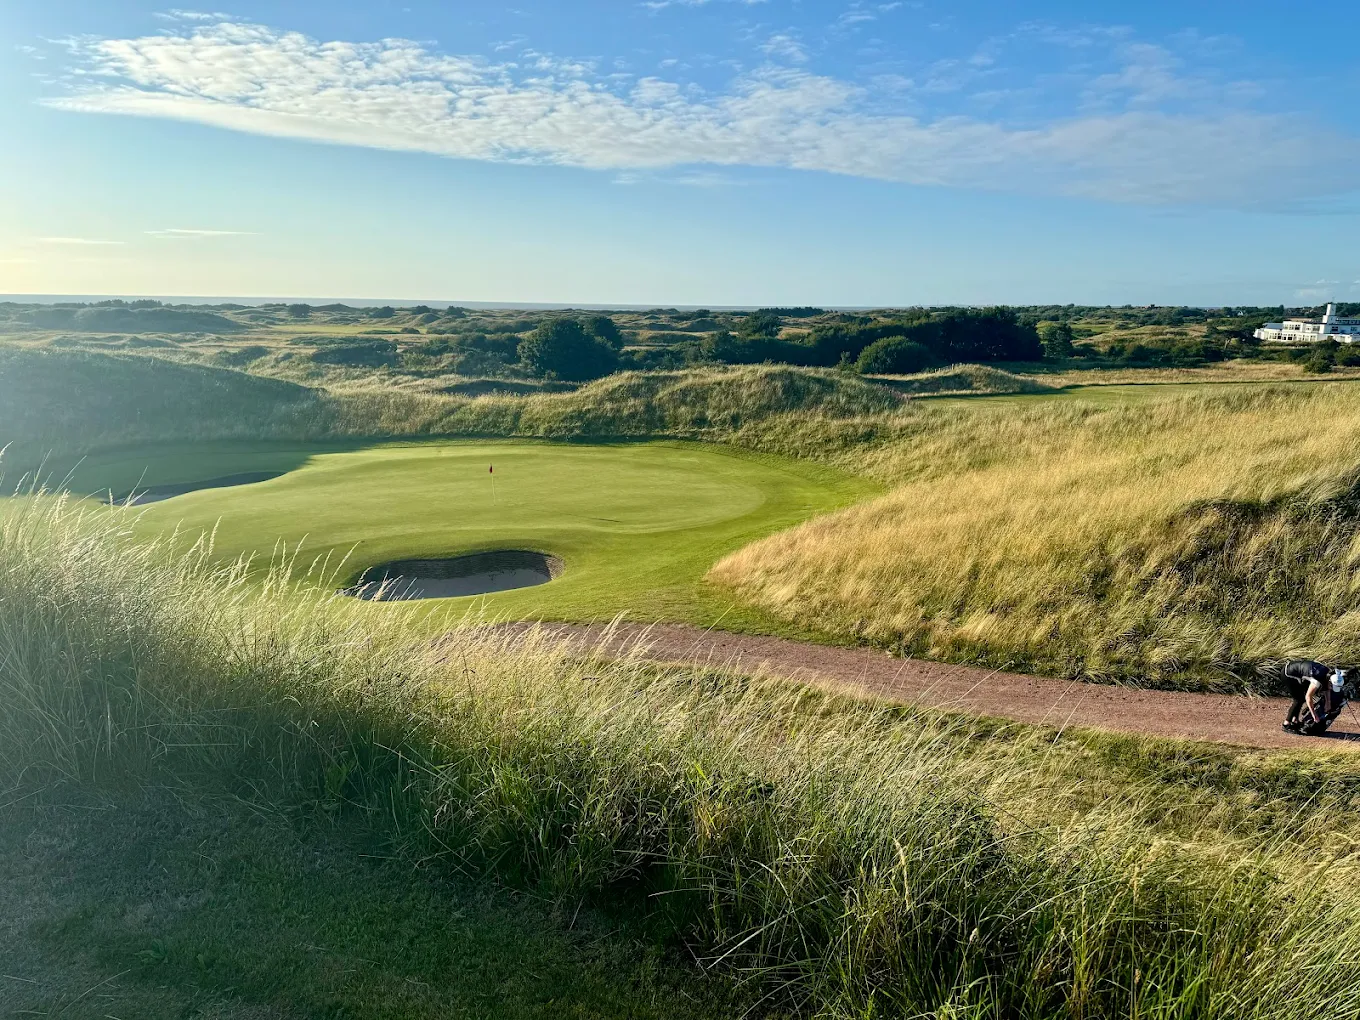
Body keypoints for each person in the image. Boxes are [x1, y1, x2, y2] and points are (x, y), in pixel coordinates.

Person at [1282, 659, 1344, 733]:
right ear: (1330, 682)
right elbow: (1308, 697)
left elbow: (1326, 688)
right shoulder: (1317, 680)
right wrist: (1314, 716)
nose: (1331, 689)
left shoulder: (1330, 674)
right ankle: (1286, 724)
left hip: (1300, 672)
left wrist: (1328, 703)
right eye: (1332, 686)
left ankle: (1295, 720)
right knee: (1299, 699)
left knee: (1300, 698)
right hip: (1288, 674)